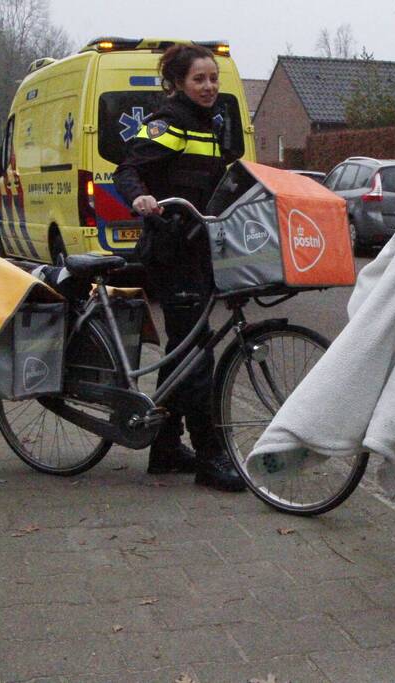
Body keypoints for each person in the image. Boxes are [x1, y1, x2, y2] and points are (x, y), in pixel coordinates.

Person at [114, 44, 244, 491]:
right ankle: (211, 457)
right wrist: (140, 198)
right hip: (172, 250)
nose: (209, 87)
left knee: (184, 350)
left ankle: (165, 447)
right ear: (178, 83)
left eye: (213, 79)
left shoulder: (213, 124)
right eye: (199, 80)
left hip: (199, 247)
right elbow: (127, 168)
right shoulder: (170, 123)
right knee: (196, 354)